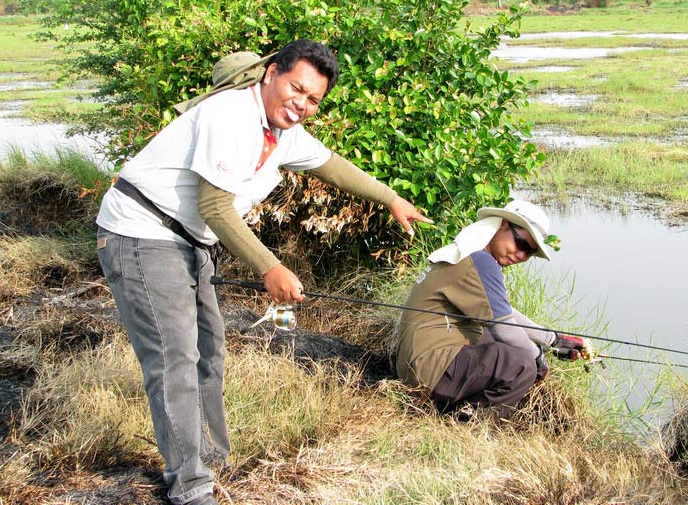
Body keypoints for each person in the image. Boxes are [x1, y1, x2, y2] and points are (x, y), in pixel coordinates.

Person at [95, 39, 432, 505]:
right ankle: (190, 486)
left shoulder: (283, 131)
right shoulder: (230, 113)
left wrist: (391, 199)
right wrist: (270, 267)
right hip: (141, 232)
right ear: (271, 73)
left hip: (190, 242)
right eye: (297, 88)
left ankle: (211, 460)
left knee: (209, 352)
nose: (303, 104)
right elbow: (213, 205)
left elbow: (331, 165)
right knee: (175, 360)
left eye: (314, 99)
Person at [396, 199, 584, 414]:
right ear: (503, 224)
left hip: (414, 367)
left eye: (530, 252)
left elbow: (504, 314)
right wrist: (539, 359)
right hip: (427, 371)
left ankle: (459, 410)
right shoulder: (482, 263)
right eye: (521, 244)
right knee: (522, 365)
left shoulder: (470, 254)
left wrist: (553, 340)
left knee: (497, 338)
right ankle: (473, 428)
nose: (521, 256)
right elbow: (505, 329)